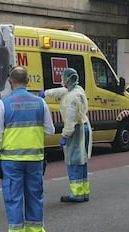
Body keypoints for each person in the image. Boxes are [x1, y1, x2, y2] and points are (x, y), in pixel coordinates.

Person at [0, 66, 55, 232]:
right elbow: (50, 131)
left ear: (10, 81)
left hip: (12, 162)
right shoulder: (41, 103)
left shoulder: (3, 105)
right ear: (28, 81)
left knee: (13, 198)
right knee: (35, 197)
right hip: (35, 160)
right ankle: (36, 230)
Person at [41, 68, 92, 202]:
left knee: (73, 162)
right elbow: (61, 90)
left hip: (76, 130)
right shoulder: (77, 89)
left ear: (67, 80)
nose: (61, 81)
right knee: (82, 161)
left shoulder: (71, 98)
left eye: (63, 78)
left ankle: (77, 194)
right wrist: (46, 93)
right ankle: (84, 191)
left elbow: (70, 120)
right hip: (83, 126)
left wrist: (65, 136)